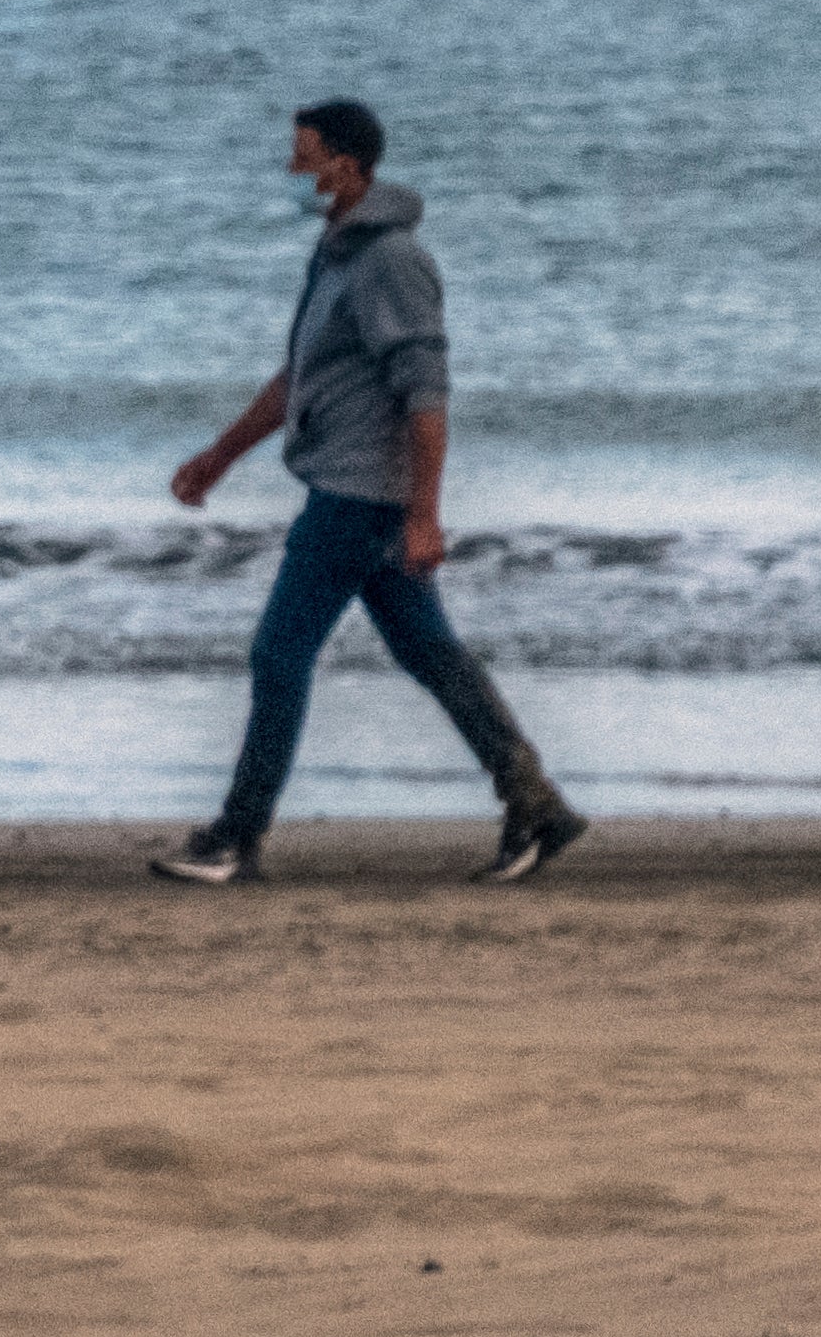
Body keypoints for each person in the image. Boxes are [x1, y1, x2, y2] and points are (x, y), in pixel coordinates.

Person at [153, 99, 584, 889]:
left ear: (347, 167)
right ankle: (536, 805)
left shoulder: (389, 262)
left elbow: (426, 393)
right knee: (429, 653)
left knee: (277, 653)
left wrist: (423, 514)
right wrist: (220, 455)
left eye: (303, 156)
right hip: (356, 490)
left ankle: (234, 836)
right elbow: (298, 378)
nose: (291, 172)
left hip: (358, 499)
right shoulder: (337, 254)